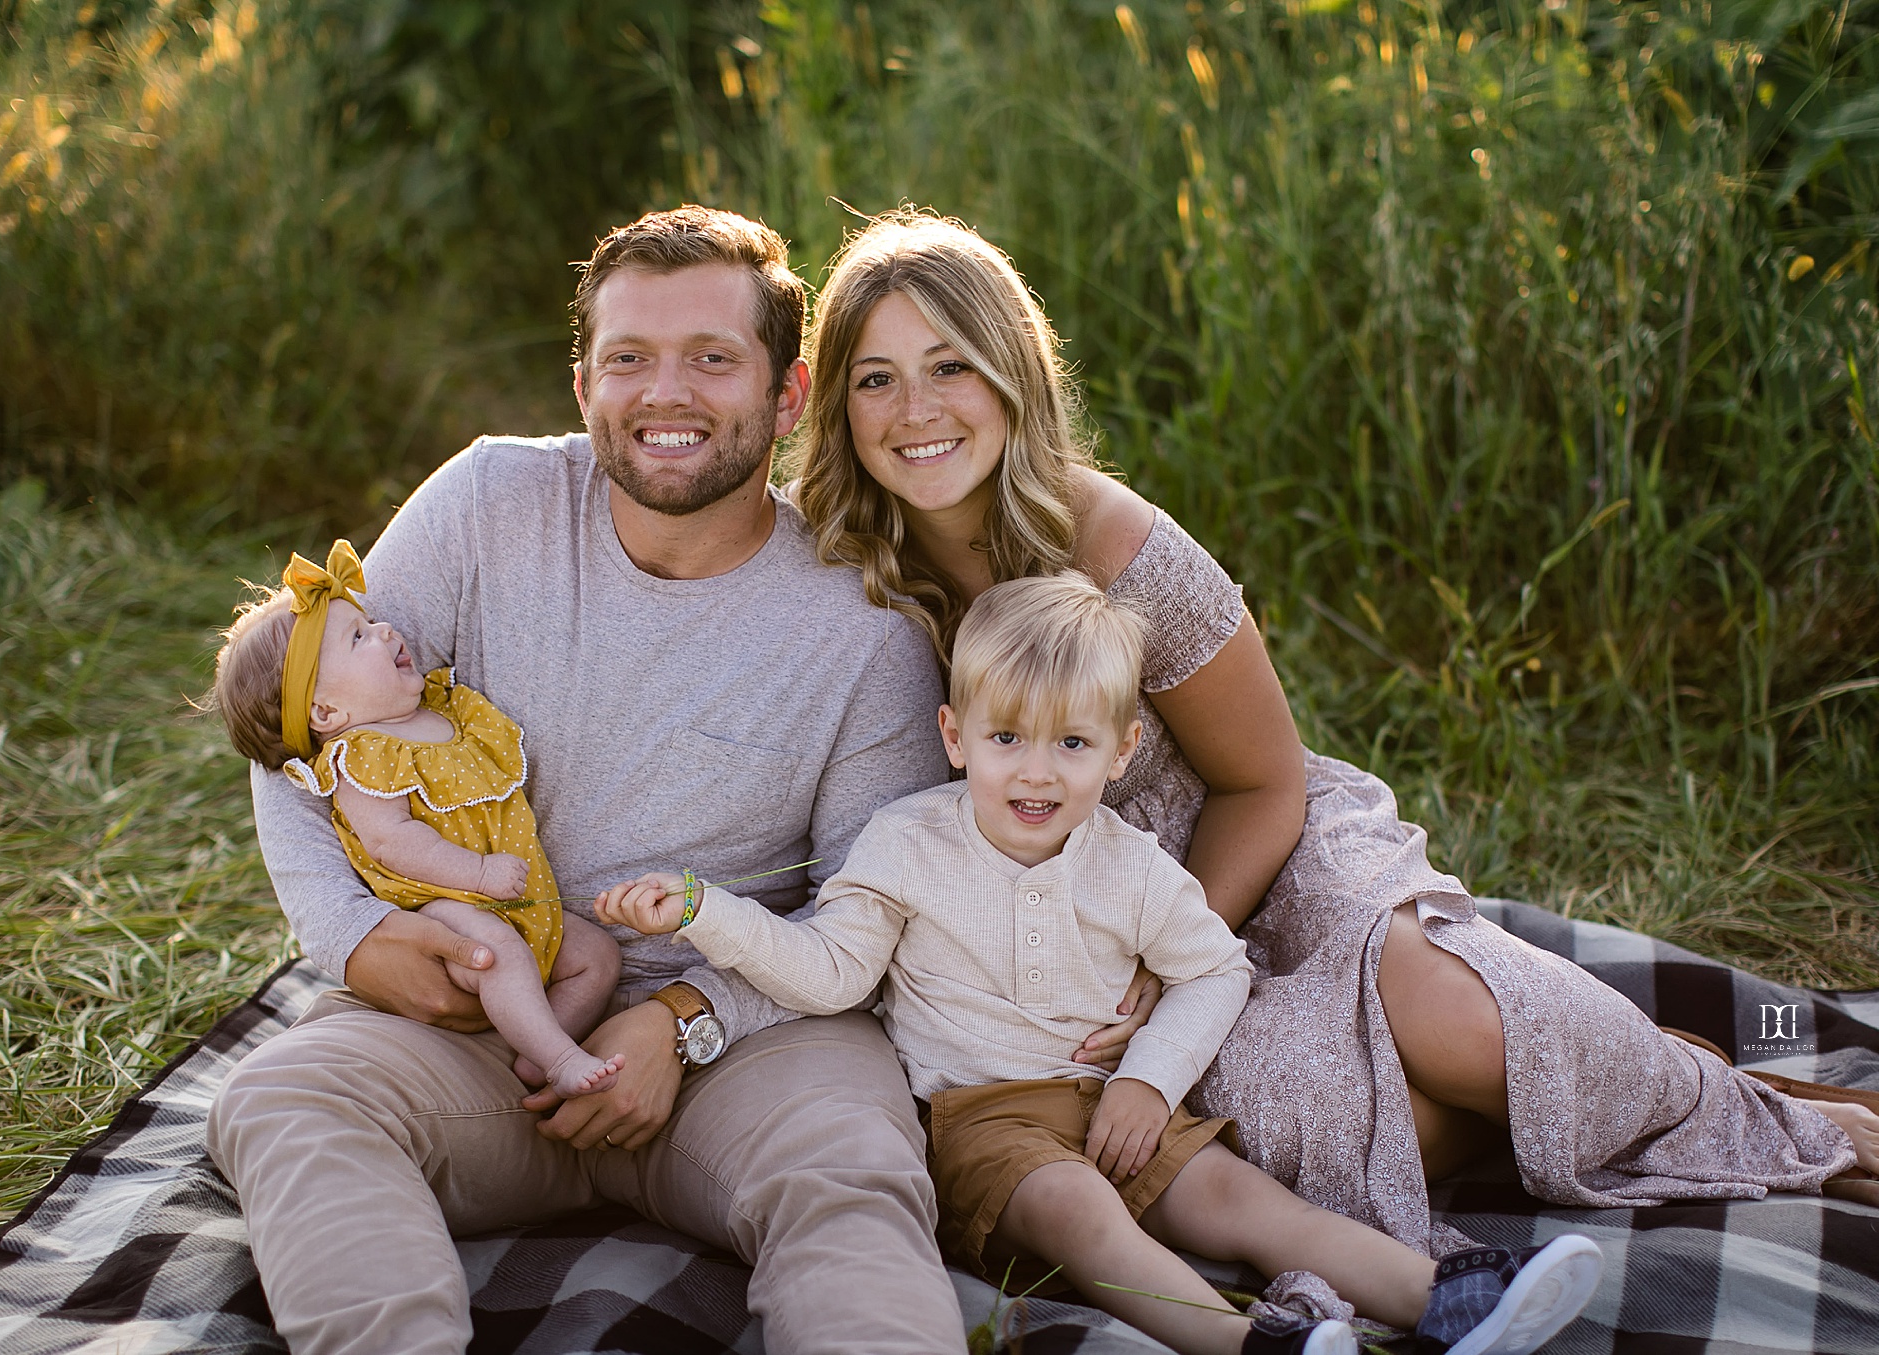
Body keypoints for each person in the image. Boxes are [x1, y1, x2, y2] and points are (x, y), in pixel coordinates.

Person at [782, 208, 1873, 1255]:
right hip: (1082, 921)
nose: (915, 407)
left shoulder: (1111, 541)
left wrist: (1171, 962)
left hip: (1255, 847)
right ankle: (1610, 1075)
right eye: (876, 377)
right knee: (1325, 1124)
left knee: (1447, 1016)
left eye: (950, 365)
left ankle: (1735, 1103)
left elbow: (1261, 780)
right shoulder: (837, 576)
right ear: (837, 403)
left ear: (1011, 373)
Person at [206, 206, 1134, 1355]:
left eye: (712, 358)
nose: (666, 394)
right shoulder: (486, 504)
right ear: (584, 381)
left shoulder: (862, 628)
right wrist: (352, 940)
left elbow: (867, 908)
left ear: (788, 397)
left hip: (749, 1034)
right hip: (493, 1006)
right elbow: (304, 734)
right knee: (280, 1097)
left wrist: (684, 1020)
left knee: (853, 1170)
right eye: (630, 358)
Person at [599, 572, 1604, 1355]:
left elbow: (1214, 971)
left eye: (1071, 742)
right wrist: (707, 911)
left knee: (1237, 1199)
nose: (1035, 769)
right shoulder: (906, 844)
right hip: (977, 1121)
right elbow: (828, 973)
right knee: (1077, 1207)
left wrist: (1147, 1080)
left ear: (1121, 751)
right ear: (955, 736)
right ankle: (1241, 1338)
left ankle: (1456, 1295)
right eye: (1005, 737)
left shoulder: (1130, 866)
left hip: (1111, 1098)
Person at [209, 539, 624, 1097]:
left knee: (596, 956)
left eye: (372, 622)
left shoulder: (446, 711)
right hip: (449, 904)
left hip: (524, 899)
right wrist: (477, 876)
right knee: (496, 956)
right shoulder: (361, 757)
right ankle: (559, 1059)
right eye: (358, 638)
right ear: (326, 712)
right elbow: (391, 842)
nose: (384, 631)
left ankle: (536, 1049)